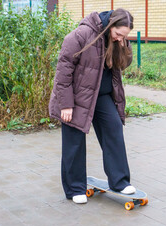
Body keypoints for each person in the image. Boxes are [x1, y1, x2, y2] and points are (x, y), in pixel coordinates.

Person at [49, 8, 135, 204]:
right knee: (74, 143)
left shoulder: (117, 40)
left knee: (114, 129)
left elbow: (124, 64)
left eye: (125, 36)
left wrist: (123, 45)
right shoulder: (81, 35)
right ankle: (75, 188)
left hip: (102, 96)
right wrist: (66, 104)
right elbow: (63, 72)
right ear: (110, 25)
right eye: (118, 34)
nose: (120, 38)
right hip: (76, 97)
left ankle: (119, 181)